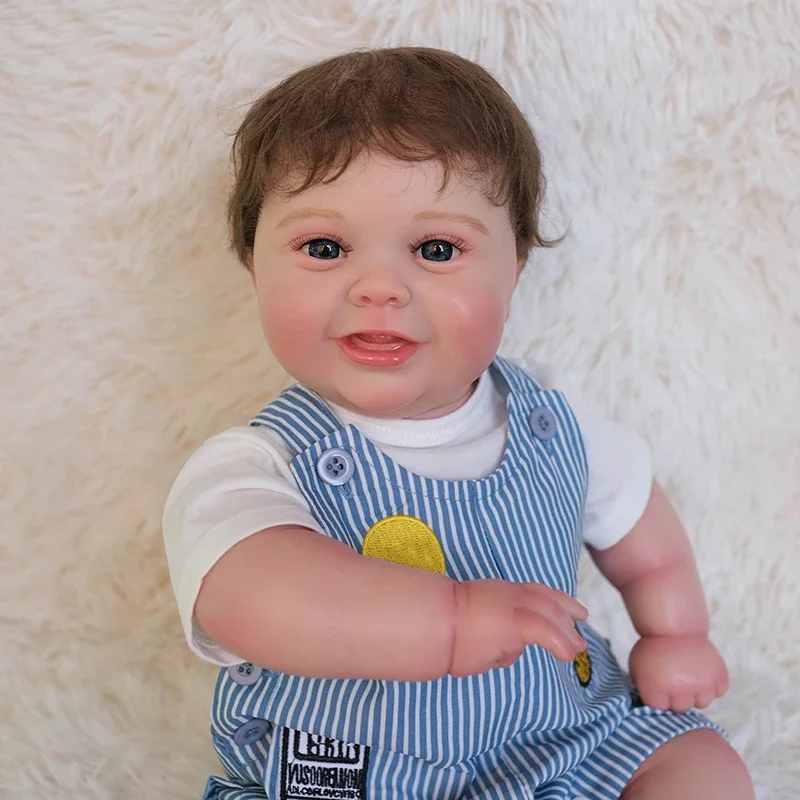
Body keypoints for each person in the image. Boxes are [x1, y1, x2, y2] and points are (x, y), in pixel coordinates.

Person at [162, 46, 754, 800]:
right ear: (254, 264)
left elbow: (647, 543)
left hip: (563, 736)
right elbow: (251, 599)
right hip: (363, 770)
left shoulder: (552, 422)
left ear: (515, 268)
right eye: (325, 248)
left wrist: (675, 633)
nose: (379, 287)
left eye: (436, 249)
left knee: (703, 769)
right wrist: (449, 624)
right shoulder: (255, 467)